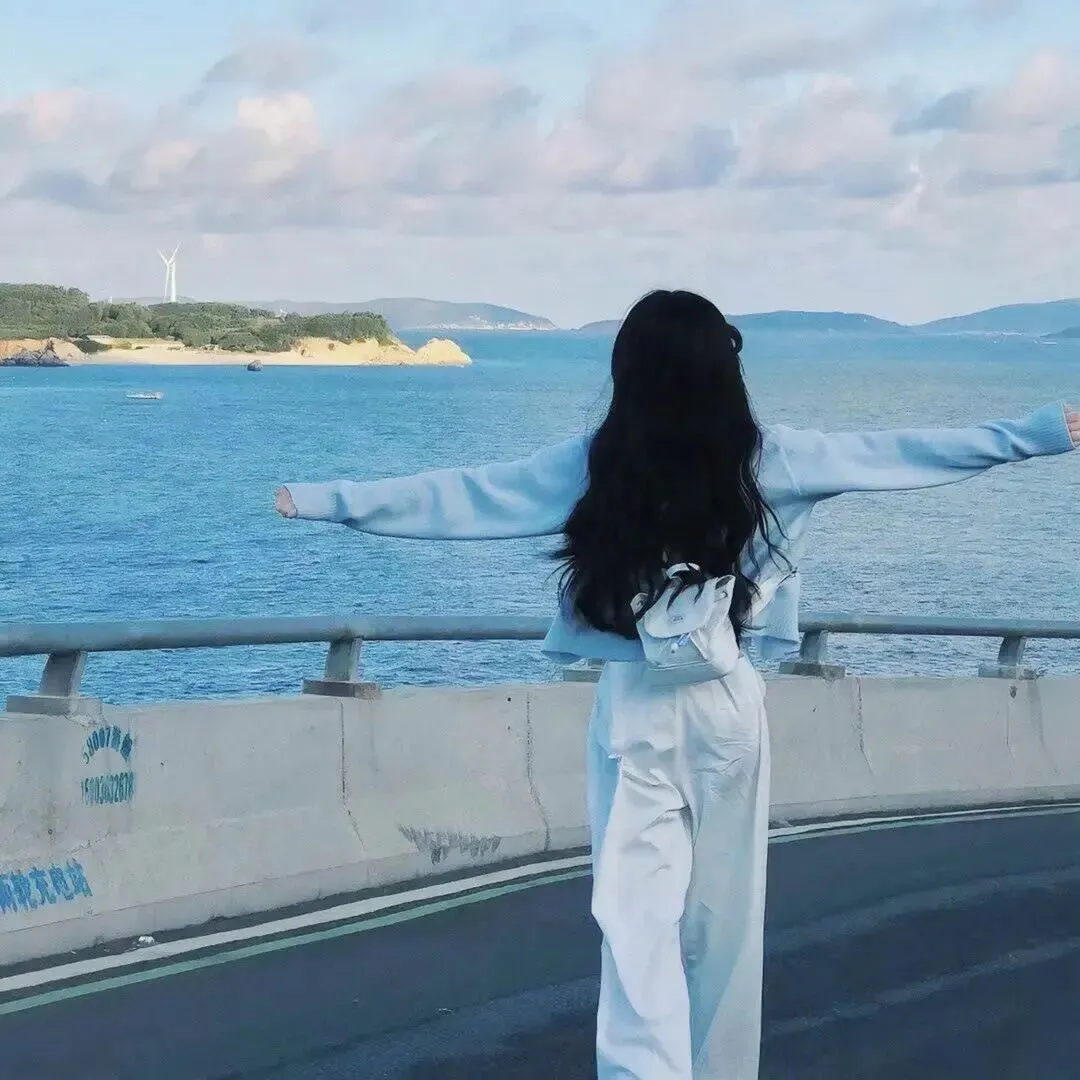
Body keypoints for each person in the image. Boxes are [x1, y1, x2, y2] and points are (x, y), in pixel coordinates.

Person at [274, 290, 1079, 1080]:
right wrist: (1036, 433)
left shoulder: (596, 467)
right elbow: (908, 453)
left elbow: (463, 496)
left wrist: (325, 501)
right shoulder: (772, 458)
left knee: (636, 926)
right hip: (728, 705)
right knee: (724, 926)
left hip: (638, 706)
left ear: (629, 371)